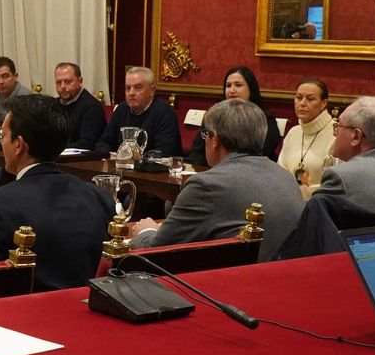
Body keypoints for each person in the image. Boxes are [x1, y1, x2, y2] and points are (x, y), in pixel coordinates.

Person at [0, 94, 113, 291]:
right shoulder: (100, 197)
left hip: (21, 318)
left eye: (3, 136)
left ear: (19, 145)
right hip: (92, 312)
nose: (1, 143)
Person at [129, 99, 303, 261]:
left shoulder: (207, 185)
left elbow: (156, 250)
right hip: (285, 278)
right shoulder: (285, 176)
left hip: (230, 285)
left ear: (215, 139)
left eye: (205, 134)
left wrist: (146, 230)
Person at [187, 66, 282, 165]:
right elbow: (196, 152)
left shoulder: (266, 121)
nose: (232, 90)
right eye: (228, 86)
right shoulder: (214, 116)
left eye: (238, 85)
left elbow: (260, 155)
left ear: (251, 89)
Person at [98, 66, 182, 157]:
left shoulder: (164, 111)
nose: (131, 93)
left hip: (152, 169)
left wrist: (136, 159)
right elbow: (103, 142)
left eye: (137, 87)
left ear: (152, 90)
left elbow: (166, 150)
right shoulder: (122, 109)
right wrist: (109, 154)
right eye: (128, 88)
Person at [278, 78, 334, 188]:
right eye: (299, 97)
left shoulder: (335, 134)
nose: (302, 103)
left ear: (323, 103)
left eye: (310, 99)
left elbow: (334, 183)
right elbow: (280, 171)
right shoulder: (293, 132)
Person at [54, 62, 105, 153]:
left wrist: (54, 149)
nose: (62, 86)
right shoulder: (53, 105)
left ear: (80, 81)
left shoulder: (92, 107)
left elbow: (87, 143)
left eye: (68, 81)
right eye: (58, 82)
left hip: (79, 161)